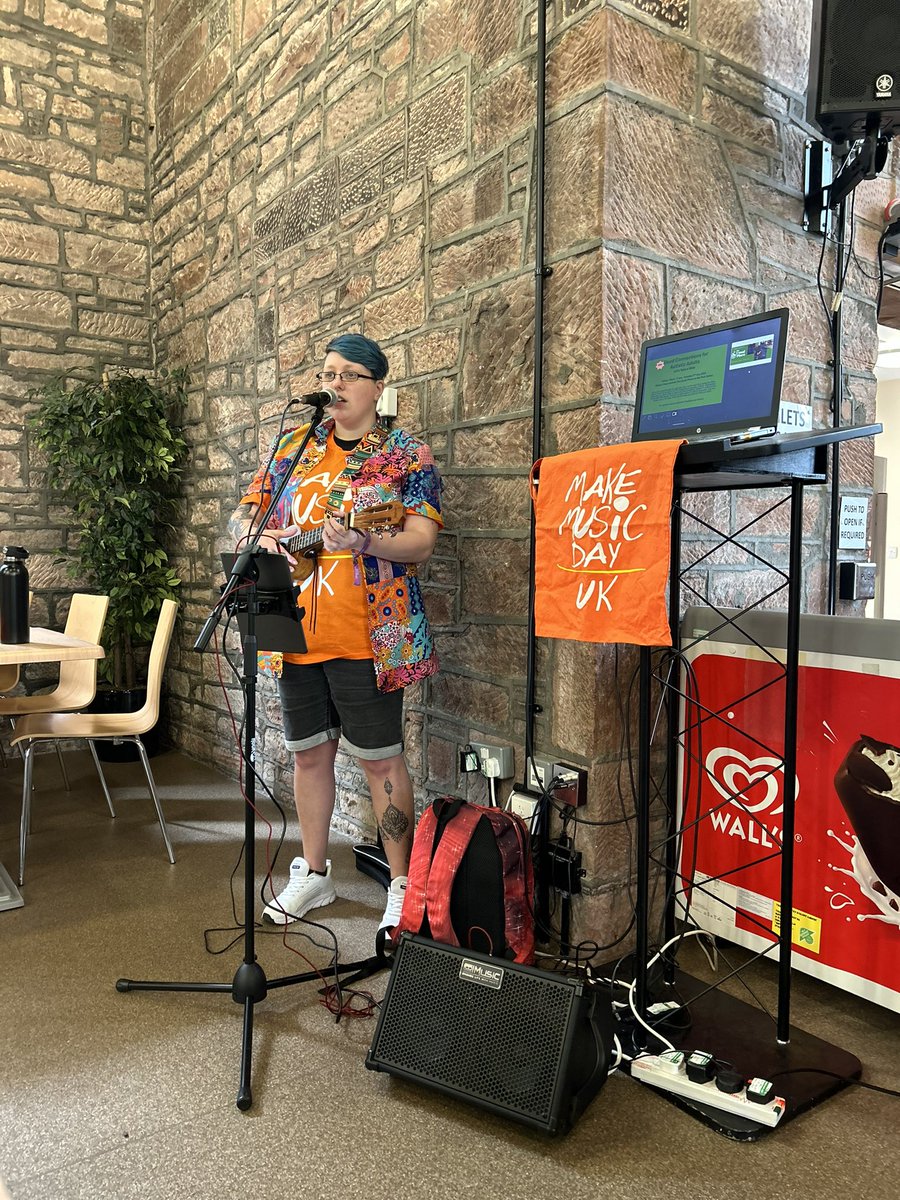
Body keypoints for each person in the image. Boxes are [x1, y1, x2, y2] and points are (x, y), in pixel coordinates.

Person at [228, 332, 442, 937]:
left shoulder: (405, 454)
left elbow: (421, 542)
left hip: (371, 637)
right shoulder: (296, 448)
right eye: (329, 372)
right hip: (294, 632)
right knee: (309, 755)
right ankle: (314, 871)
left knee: (381, 763)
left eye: (350, 374)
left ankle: (401, 887)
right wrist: (262, 535)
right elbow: (250, 510)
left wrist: (366, 539)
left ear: (378, 385)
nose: (337, 383)